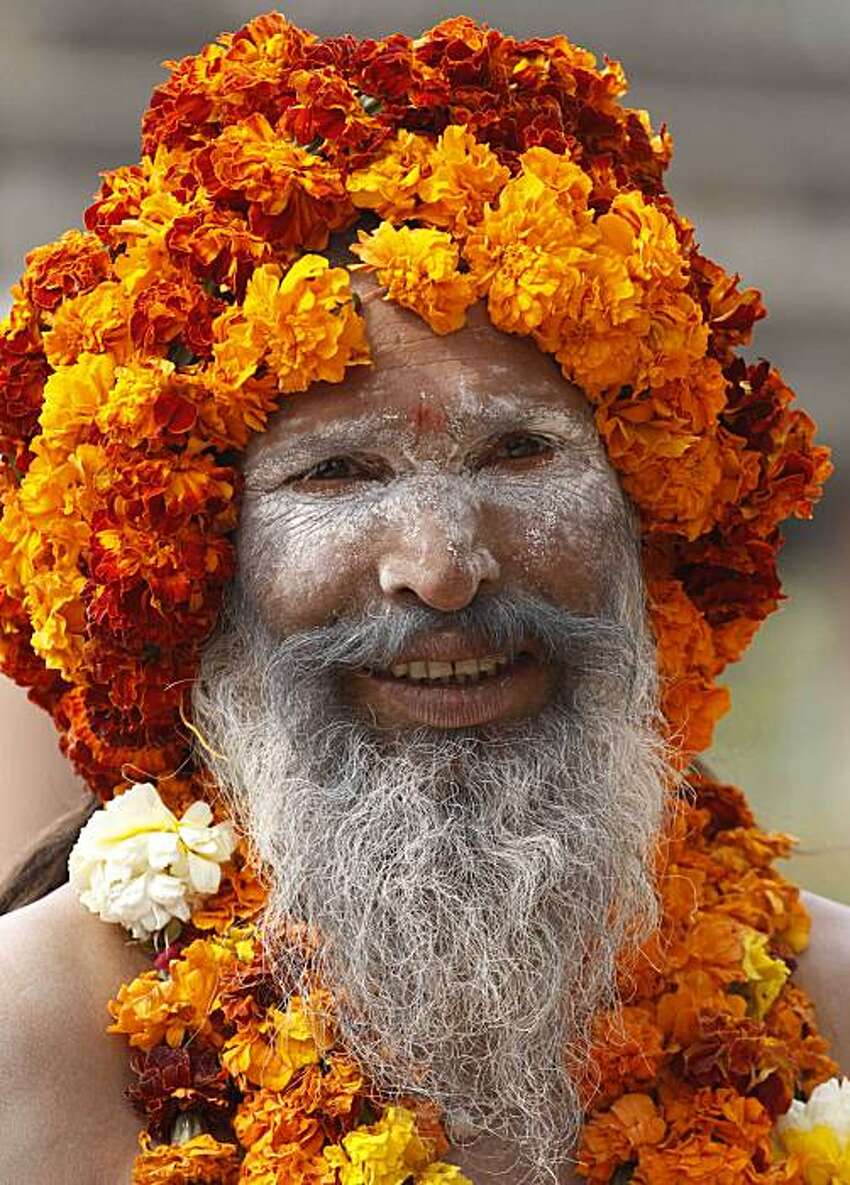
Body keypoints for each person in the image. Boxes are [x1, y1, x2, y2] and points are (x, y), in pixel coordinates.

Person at [0, 14, 846, 1185]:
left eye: (519, 454)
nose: (443, 570)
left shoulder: (824, 1006)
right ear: (195, 562)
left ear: (654, 517)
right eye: (336, 472)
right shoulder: (34, 1032)